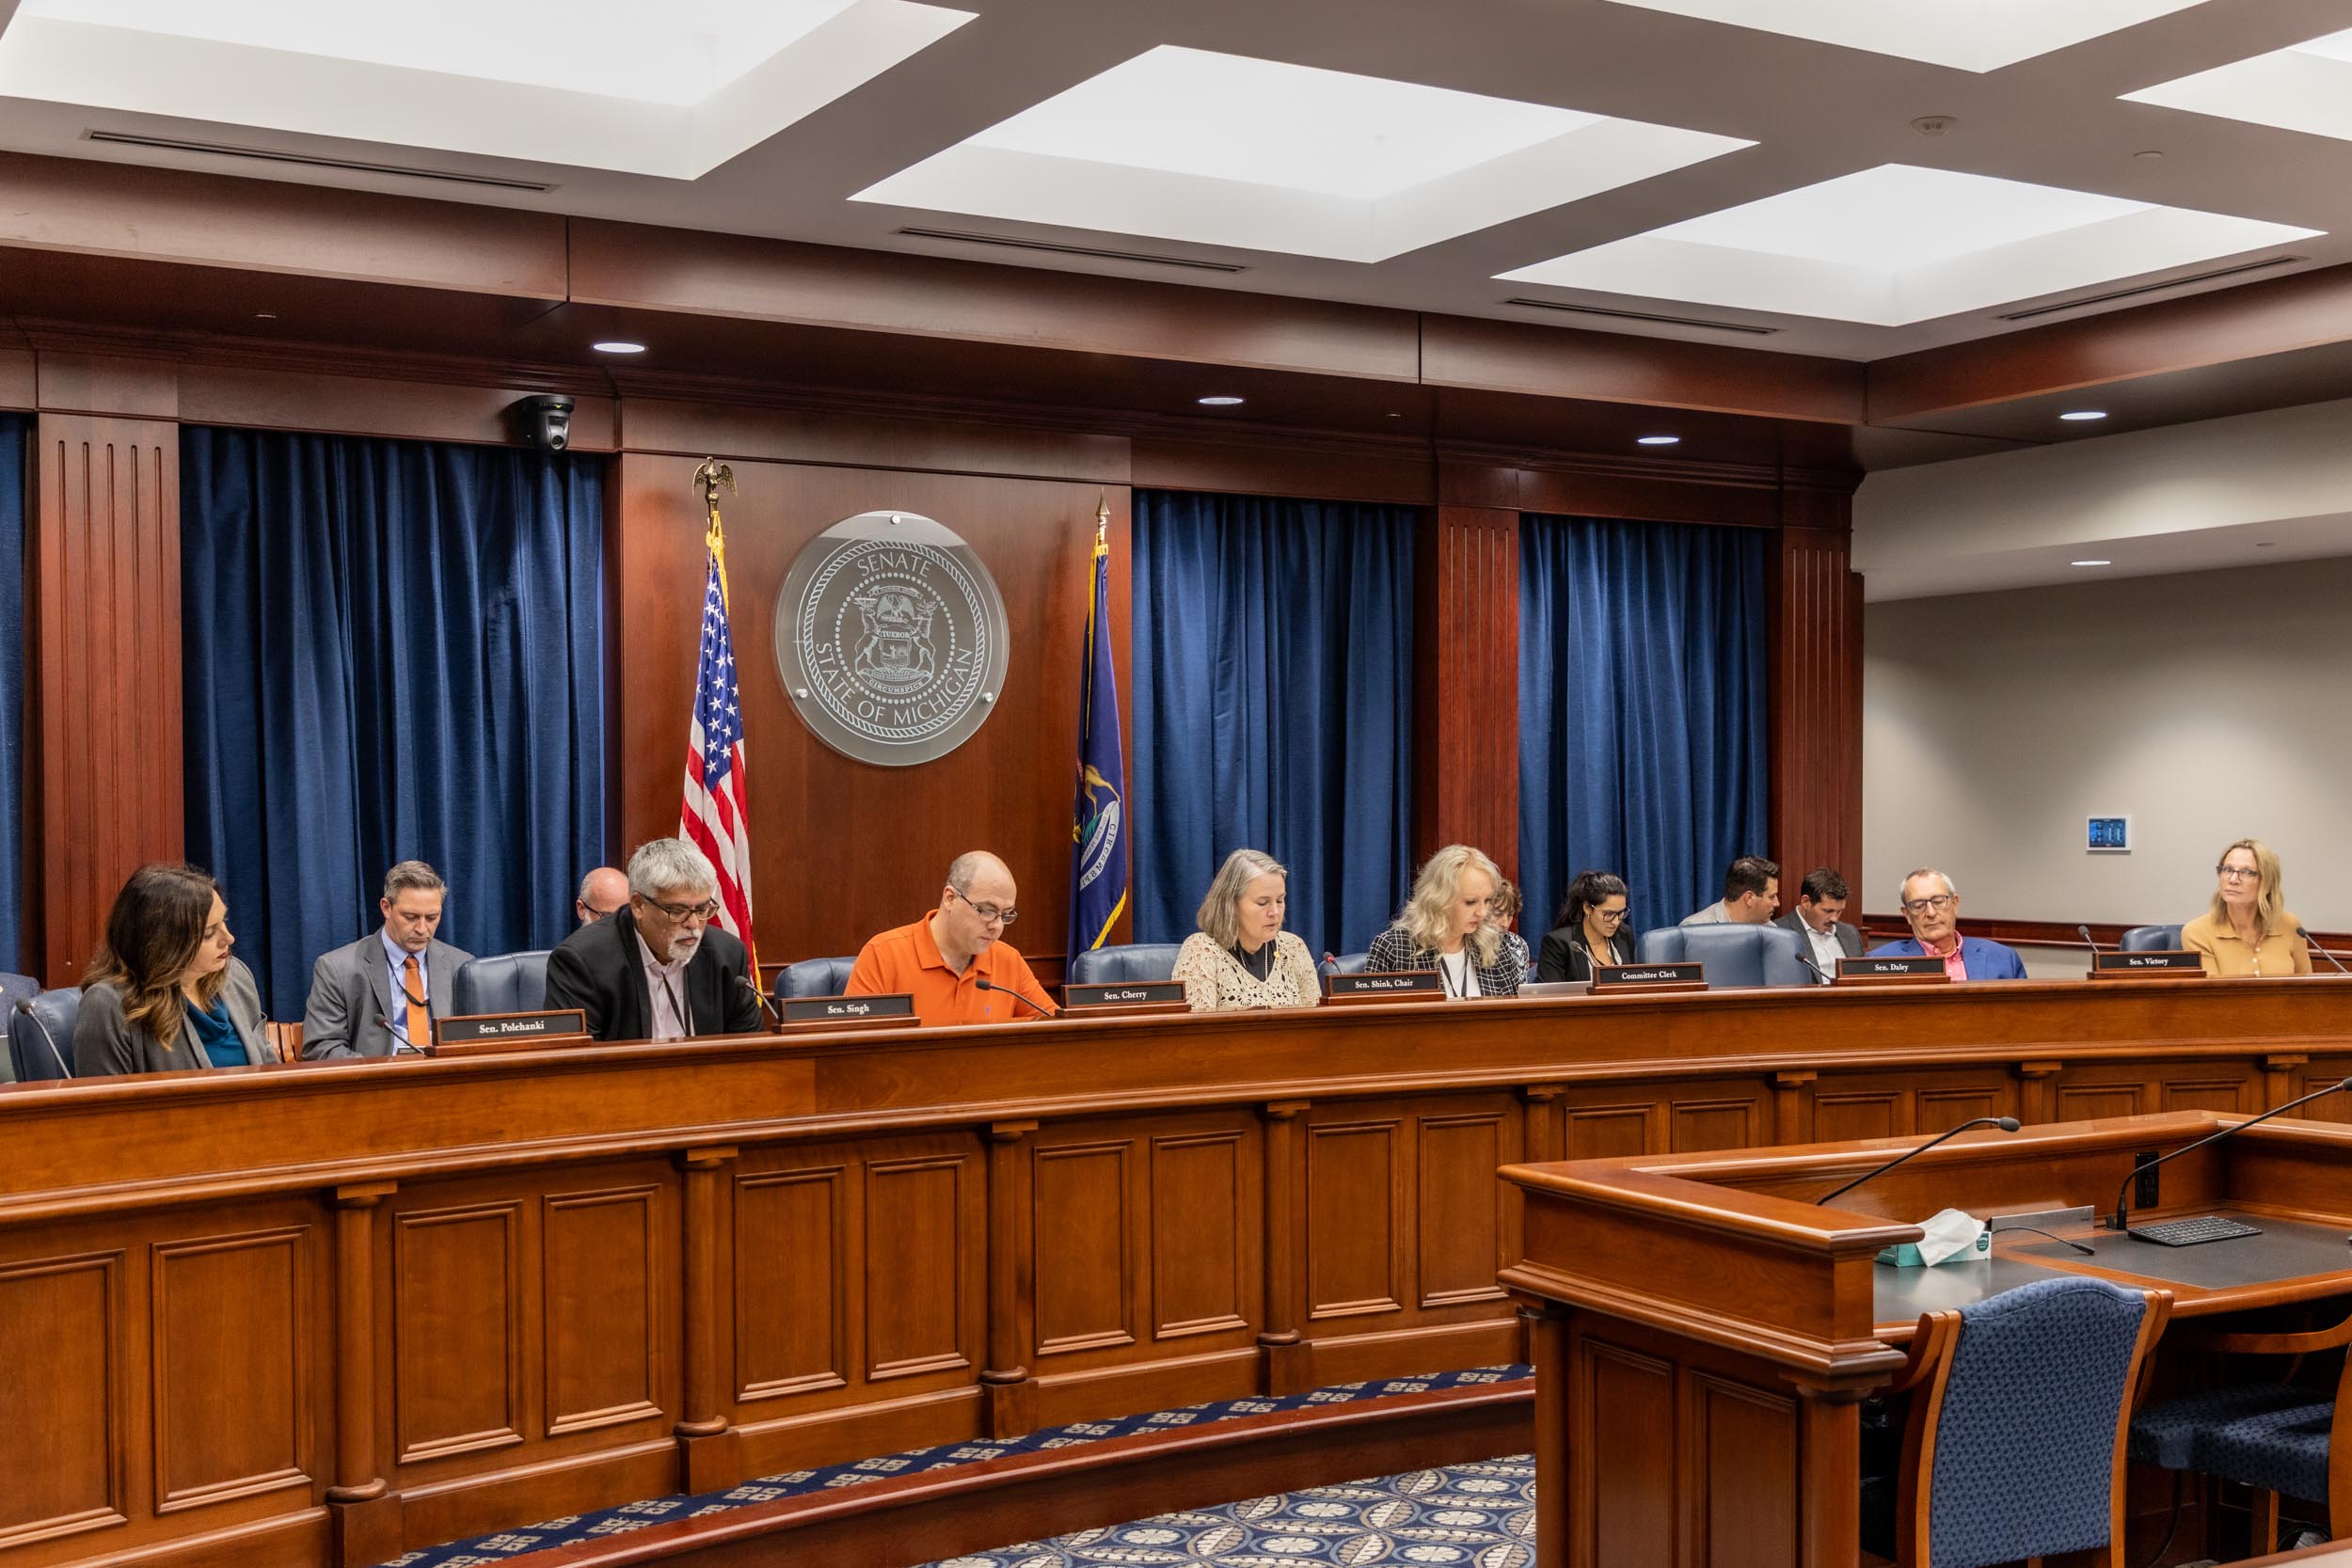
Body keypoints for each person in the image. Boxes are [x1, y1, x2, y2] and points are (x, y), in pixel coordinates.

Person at [544, 838, 765, 1040]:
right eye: (678, 911)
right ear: (639, 905)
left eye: (702, 909)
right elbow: (574, 1065)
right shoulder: (582, 961)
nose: (694, 924)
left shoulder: (727, 955)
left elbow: (748, 1054)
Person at [74, 863, 272, 1075]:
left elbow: (272, 1072)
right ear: (165, 944)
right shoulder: (107, 1005)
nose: (229, 938)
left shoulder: (236, 976)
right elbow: (107, 1106)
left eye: (223, 921)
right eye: (209, 933)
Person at [846, 851, 1057, 1025]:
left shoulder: (1007, 959)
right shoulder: (883, 954)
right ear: (950, 898)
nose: (997, 926)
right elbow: (855, 1047)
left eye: (1006, 914)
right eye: (986, 910)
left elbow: (1055, 1029)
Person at [302, 861, 476, 1059]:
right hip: (376, 1083)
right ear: (386, 908)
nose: (422, 928)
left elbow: (480, 1041)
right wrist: (379, 1074)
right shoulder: (338, 969)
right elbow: (322, 1047)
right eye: (410, 917)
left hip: (448, 1082)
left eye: (431, 917)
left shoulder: (462, 966)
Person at [1170, 848, 1322, 1012]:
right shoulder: (1202, 950)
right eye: (1263, 903)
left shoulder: (1293, 948)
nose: (1275, 912)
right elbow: (1196, 1032)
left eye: (1279, 900)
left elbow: (1317, 1025)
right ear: (1231, 904)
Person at [1367, 844, 1526, 998]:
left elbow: (1513, 1019)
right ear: (1439, 899)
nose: (1482, 912)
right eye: (1471, 902)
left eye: (1487, 901)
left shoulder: (1497, 946)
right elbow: (1372, 1020)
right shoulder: (1394, 948)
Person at [2181, 838, 2311, 977]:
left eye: (2247, 872)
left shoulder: (2291, 925)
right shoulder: (2197, 932)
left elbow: (2309, 988)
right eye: (2227, 870)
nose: (2233, 880)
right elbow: (2213, 995)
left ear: (2267, 881)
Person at [1868, 867, 2027, 980]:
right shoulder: (1880, 962)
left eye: (1938, 902)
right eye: (1918, 906)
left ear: (1955, 904)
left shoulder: (2003, 958)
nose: (1930, 913)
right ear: (1907, 915)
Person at [1536, 871, 1634, 983]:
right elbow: (1551, 994)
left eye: (1621, 913)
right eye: (1608, 914)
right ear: (1588, 908)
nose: (1616, 922)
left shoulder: (1625, 934)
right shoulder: (1559, 943)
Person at [1774, 867, 1863, 984]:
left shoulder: (1850, 933)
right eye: (1828, 911)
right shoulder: (1779, 933)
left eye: (1839, 911)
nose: (1834, 919)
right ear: (1806, 902)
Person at [1680, 857, 1780, 926]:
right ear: (1749, 898)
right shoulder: (1694, 930)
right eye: (1771, 897)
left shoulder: (1770, 931)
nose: (1777, 903)